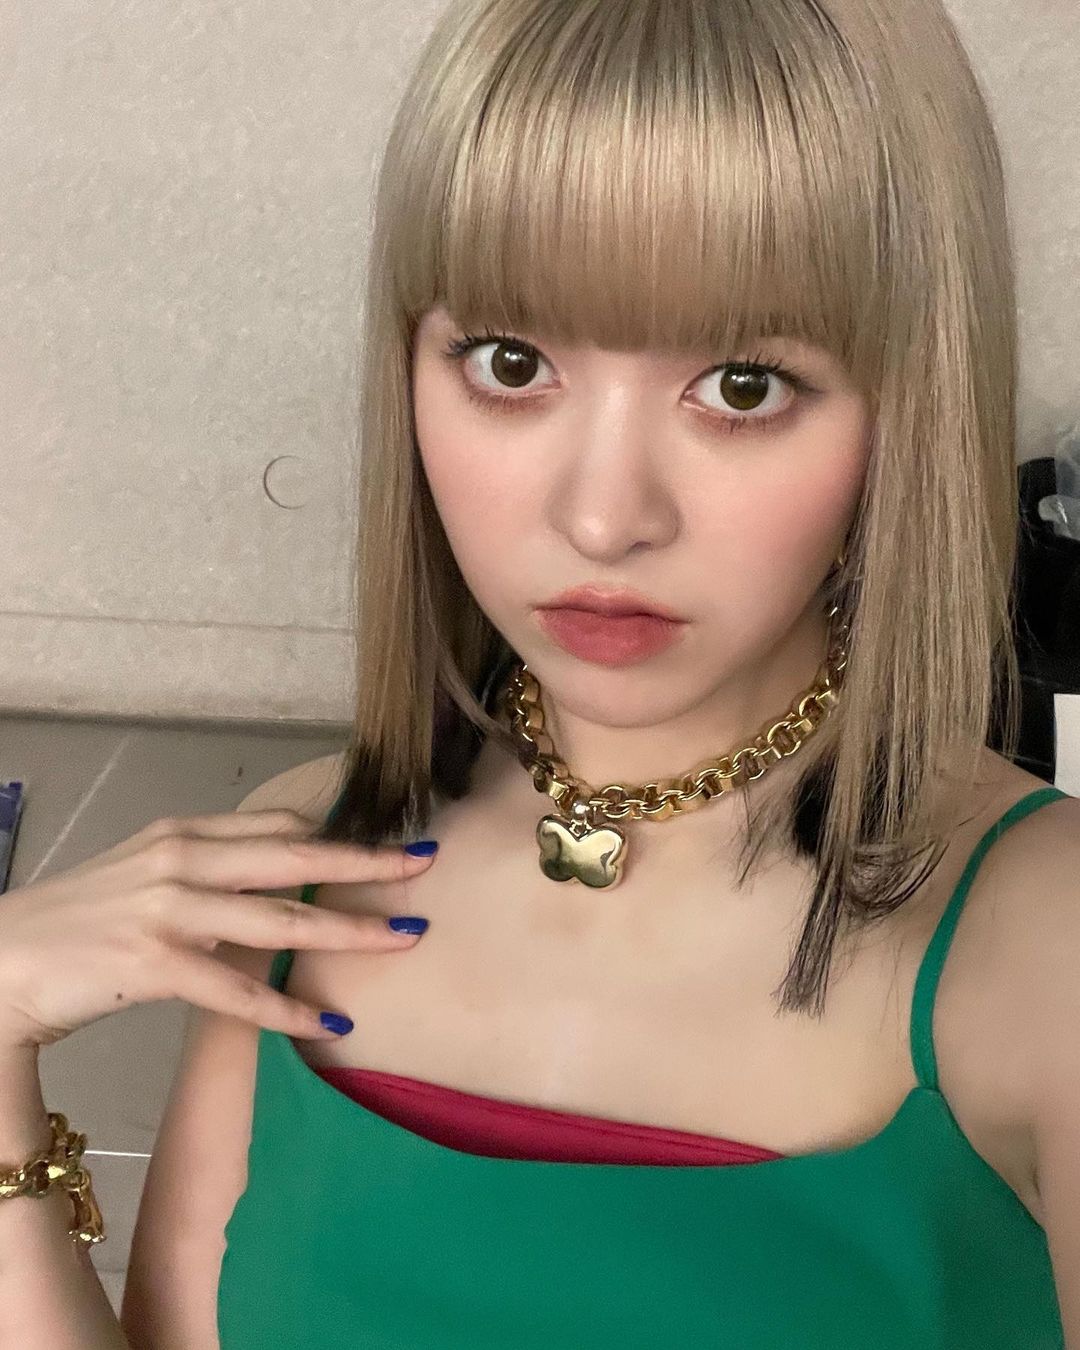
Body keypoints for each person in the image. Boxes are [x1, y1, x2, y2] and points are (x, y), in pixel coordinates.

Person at [1, 0, 1078, 1346]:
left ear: (908, 404)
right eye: (512, 364)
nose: (603, 517)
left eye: (744, 386)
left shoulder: (1045, 945)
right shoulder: (298, 862)